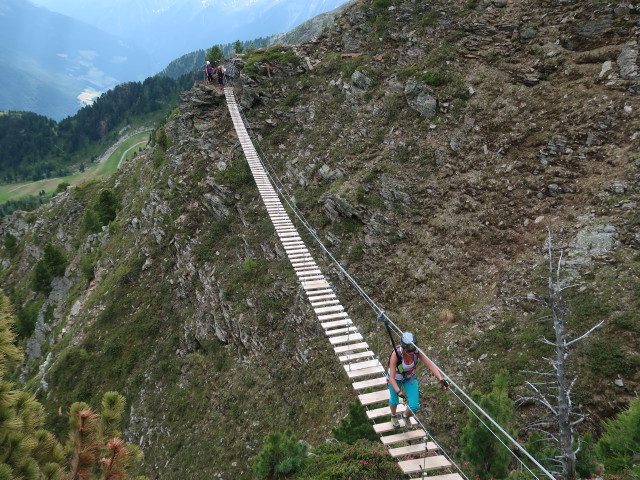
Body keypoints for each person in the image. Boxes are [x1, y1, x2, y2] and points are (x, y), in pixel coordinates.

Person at [387, 331, 449, 429]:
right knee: (395, 400)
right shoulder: (396, 354)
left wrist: (441, 378)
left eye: (412, 349)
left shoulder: (416, 351)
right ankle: (393, 416)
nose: (410, 353)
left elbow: (430, 365)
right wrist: (399, 393)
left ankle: (405, 416)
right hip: (395, 379)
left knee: (414, 405)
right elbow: (391, 378)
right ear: (404, 348)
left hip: (409, 377)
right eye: (408, 351)